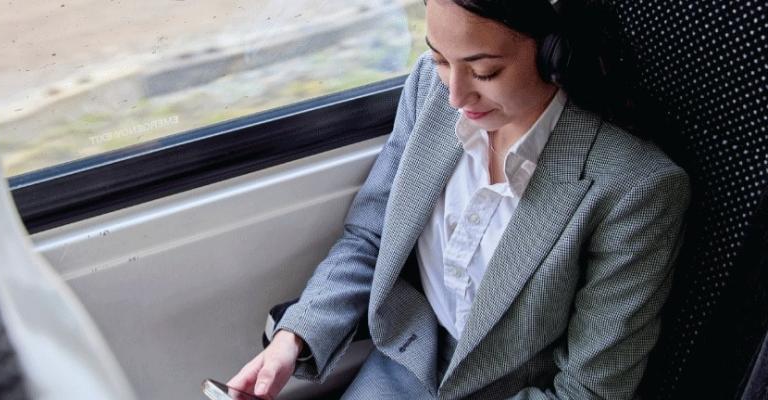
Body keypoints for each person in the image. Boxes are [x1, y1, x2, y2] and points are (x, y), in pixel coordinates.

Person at [228, 0, 690, 398]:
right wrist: (294, 339)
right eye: (439, 59)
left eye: (485, 71)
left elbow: (587, 391)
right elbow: (371, 238)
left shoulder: (635, 189)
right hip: (404, 367)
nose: (454, 95)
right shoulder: (428, 91)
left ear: (556, 52)